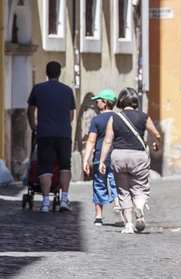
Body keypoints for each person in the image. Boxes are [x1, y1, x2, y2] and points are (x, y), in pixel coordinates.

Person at [99, 87, 161, 234]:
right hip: (138, 156)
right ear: (135, 101)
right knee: (140, 187)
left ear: (120, 100)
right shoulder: (143, 117)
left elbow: (107, 141)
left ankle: (128, 226)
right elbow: (156, 134)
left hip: (118, 156)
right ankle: (139, 207)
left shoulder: (114, 118)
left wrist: (102, 161)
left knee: (123, 190)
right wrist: (157, 144)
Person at [27, 61, 76, 213]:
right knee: (64, 165)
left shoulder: (38, 89)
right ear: (59, 73)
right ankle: (64, 200)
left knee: (45, 167)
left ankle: (46, 202)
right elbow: (71, 115)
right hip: (63, 134)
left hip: (44, 133)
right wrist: (62, 125)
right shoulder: (68, 91)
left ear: (46, 73)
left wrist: (33, 127)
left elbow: (30, 110)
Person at [82, 89, 125, 227]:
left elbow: (91, 141)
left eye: (98, 100)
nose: (96, 103)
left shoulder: (97, 119)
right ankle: (118, 207)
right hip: (116, 155)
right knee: (115, 183)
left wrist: (86, 159)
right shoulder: (119, 118)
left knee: (99, 184)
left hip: (100, 155)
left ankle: (99, 216)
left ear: (105, 102)